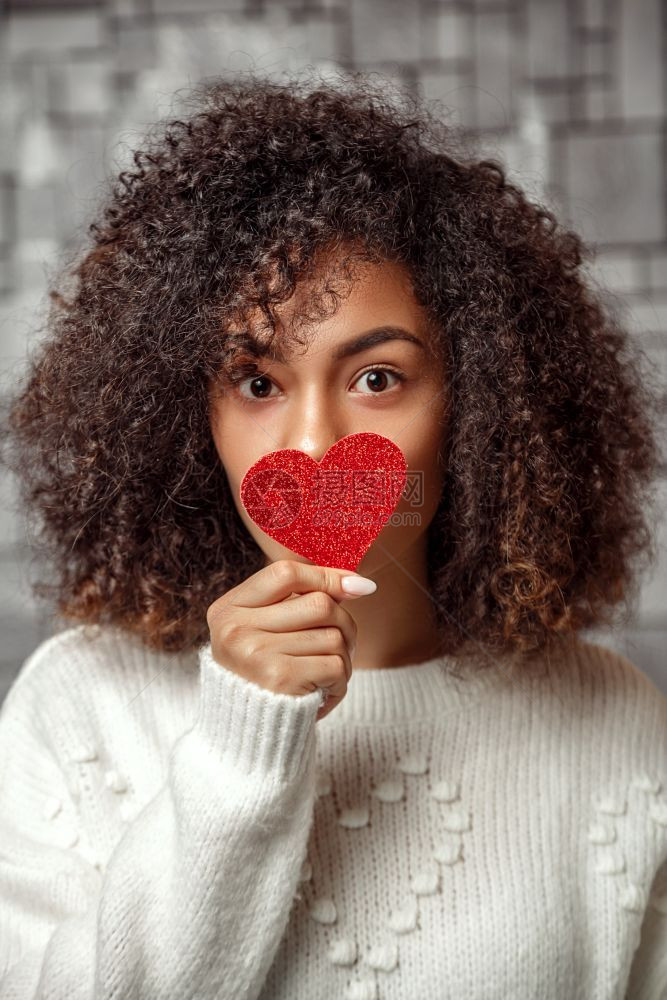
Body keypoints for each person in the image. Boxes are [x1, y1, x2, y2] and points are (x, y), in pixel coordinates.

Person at [0, 69, 665, 999]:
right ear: (188, 415)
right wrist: (242, 744)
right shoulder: (78, 706)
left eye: (378, 379)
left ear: (479, 405)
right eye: (258, 383)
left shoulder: (617, 722)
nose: (313, 443)